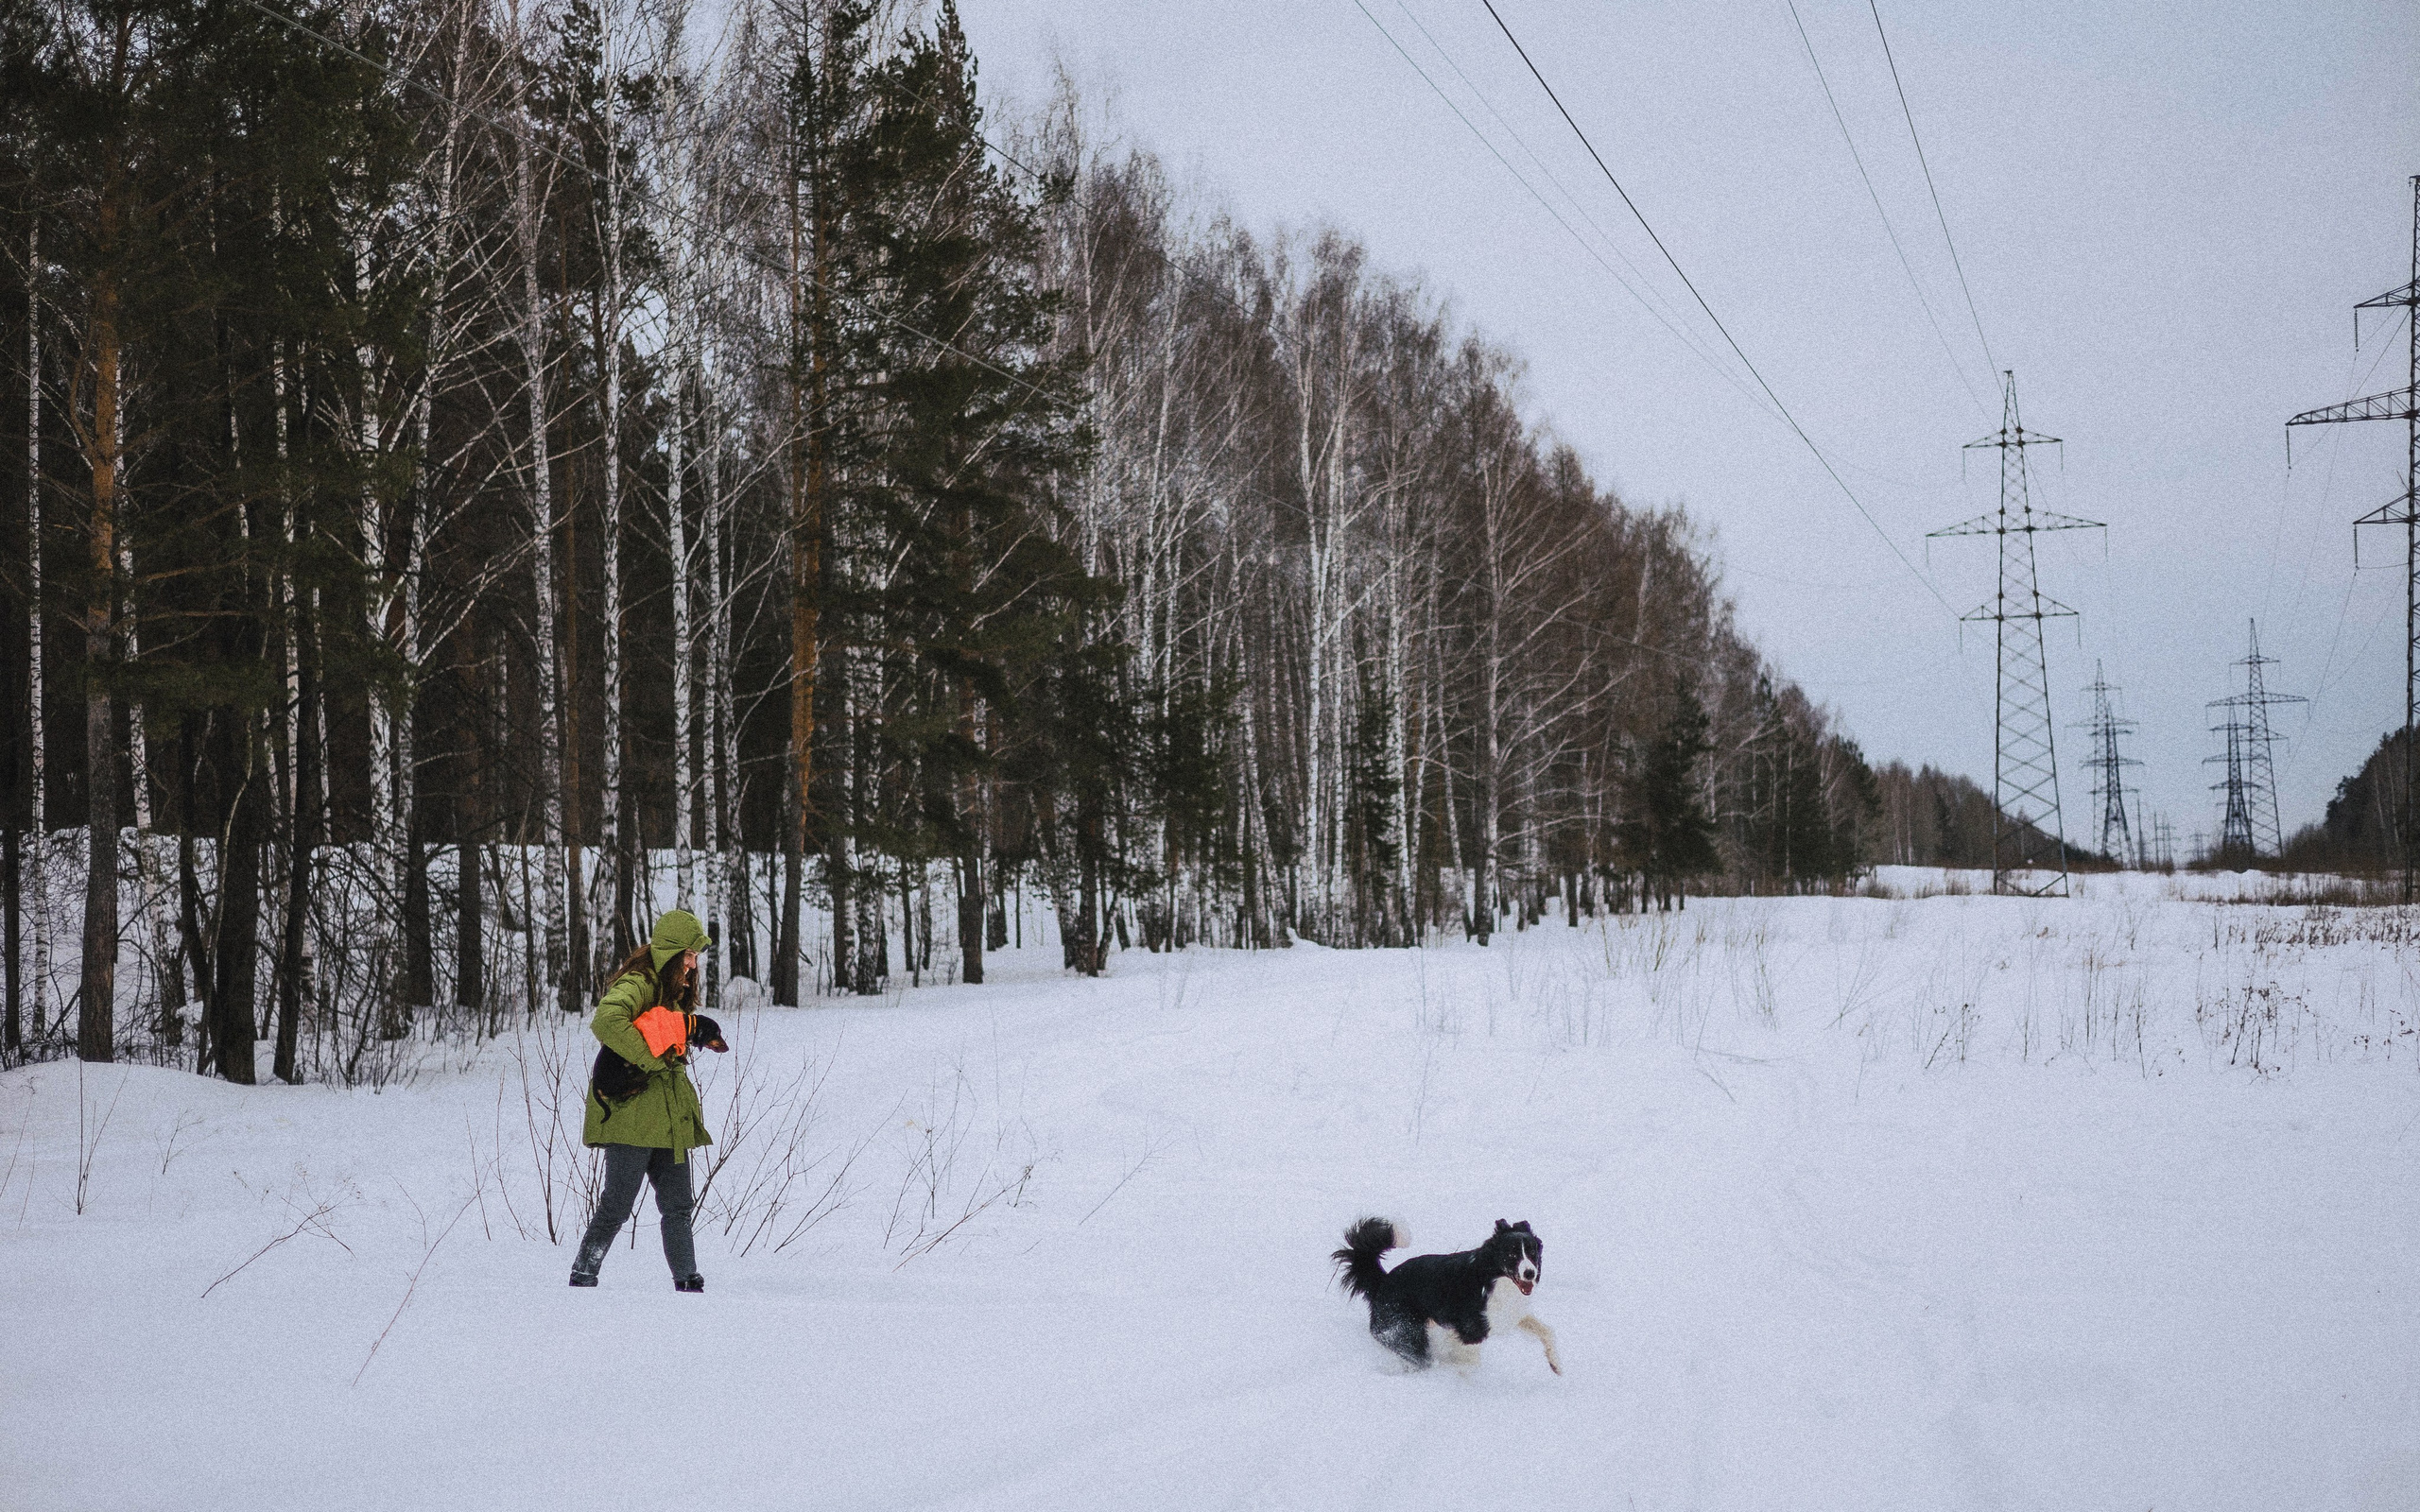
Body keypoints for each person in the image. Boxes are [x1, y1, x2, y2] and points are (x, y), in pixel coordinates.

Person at [570, 909, 720, 1290]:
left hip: (668, 1119)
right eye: (688, 954)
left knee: (679, 1207)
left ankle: (688, 1283)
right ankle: (582, 1278)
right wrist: (650, 1058)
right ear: (669, 951)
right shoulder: (640, 981)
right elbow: (606, 1021)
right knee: (617, 1207)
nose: (692, 964)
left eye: (695, 956)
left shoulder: (672, 992)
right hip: (632, 1119)